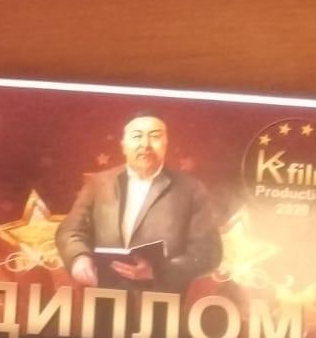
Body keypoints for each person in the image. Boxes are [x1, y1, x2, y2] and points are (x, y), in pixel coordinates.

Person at [55, 113, 221, 293]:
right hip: (102, 296)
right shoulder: (99, 183)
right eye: (137, 136)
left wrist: (159, 272)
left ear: (166, 144)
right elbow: (70, 230)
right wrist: (79, 257)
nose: (145, 145)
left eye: (155, 136)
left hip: (163, 299)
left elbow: (209, 252)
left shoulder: (191, 189)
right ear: (123, 146)